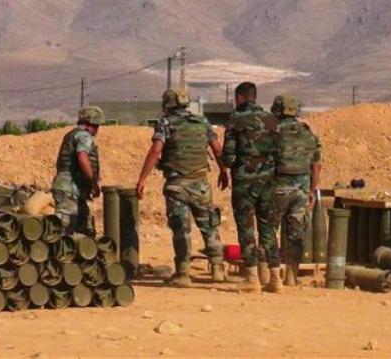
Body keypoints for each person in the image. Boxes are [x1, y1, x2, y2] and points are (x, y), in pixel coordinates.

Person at [135, 89, 227, 287]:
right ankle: (218, 268)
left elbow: (156, 150)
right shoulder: (202, 122)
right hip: (200, 184)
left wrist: (142, 179)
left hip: (177, 186)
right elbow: (217, 149)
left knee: (181, 229)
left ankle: (183, 273)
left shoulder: (166, 123)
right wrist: (224, 172)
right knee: (209, 226)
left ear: (168, 104)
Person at [221, 81, 280, 293]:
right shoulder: (272, 120)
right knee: (268, 229)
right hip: (268, 182)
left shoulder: (235, 120)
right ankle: (275, 278)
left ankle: (253, 279)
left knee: (246, 228)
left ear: (240, 97)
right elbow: (279, 154)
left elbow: (227, 157)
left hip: (244, 183)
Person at [270, 94, 322, 290]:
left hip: (277, 189)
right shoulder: (309, 134)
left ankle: (272, 275)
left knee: (270, 231)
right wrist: (311, 190)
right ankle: (292, 276)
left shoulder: (271, 132)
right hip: (301, 190)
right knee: (296, 234)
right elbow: (317, 166)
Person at [51, 105, 105, 236]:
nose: (97, 130)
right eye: (97, 126)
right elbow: (82, 158)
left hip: (72, 190)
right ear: (90, 124)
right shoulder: (84, 136)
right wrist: (93, 182)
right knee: (65, 233)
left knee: (84, 230)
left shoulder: (71, 134)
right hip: (69, 189)